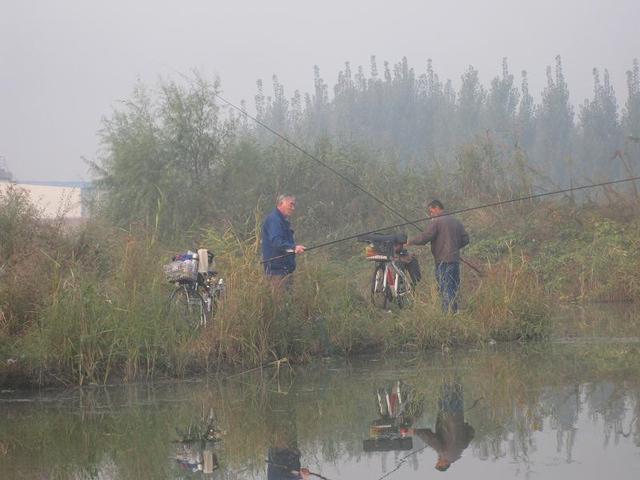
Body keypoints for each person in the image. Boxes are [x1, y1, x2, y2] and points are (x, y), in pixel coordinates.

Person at [406, 200, 468, 313]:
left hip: (443, 261)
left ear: (437, 208)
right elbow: (465, 239)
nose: (431, 215)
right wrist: (454, 247)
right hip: (454, 260)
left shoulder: (437, 221)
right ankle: (454, 313)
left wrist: (410, 241)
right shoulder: (456, 221)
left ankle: (447, 315)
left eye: (431, 211)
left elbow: (425, 237)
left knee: (445, 288)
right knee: (453, 288)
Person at [402, 380, 475, 472]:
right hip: (446, 413)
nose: (438, 459)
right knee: (444, 382)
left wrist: (462, 425)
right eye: (438, 462)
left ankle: (454, 369)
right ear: (444, 464)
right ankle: (443, 369)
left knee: (456, 384)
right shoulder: (444, 453)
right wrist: (414, 431)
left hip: (458, 414)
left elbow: (471, 432)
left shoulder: (459, 451)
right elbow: (430, 438)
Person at [261, 194, 305, 288]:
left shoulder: (282, 221)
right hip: (276, 272)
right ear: (281, 203)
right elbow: (276, 241)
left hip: (285, 271)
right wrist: (294, 248)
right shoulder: (274, 220)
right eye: (291, 204)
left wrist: (293, 249)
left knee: (287, 302)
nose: (293, 208)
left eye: (294, 205)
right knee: (279, 301)